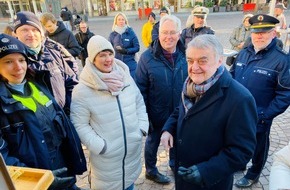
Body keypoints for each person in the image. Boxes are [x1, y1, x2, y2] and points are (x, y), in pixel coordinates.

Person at [160, 34, 257, 190]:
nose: (194, 67)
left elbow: (242, 151)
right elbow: (181, 111)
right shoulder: (189, 86)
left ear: (219, 61)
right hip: (183, 178)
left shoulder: (240, 98)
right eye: (190, 61)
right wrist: (168, 128)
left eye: (202, 61)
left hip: (211, 184)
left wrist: (206, 171)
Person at [0, 33, 86, 190]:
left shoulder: (38, 83)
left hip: (61, 164)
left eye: (21, 60)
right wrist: (41, 179)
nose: (18, 67)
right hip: (34, 179)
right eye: (8, 62)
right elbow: (3, 159)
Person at [70, 35, 149, 190]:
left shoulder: (125, 77)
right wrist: (100, 146)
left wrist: (141, 128)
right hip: (106, 162)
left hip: (131, 155)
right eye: (102, 55)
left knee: (129, 185)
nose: (108, 59)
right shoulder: (82, 90)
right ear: (92, 58)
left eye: (110, 54)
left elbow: (139, 103)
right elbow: (79, 124)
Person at [231, 14, 290, 188]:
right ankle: (240, 162)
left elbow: (285, 94)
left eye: (264, 32)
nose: (259, 36)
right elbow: (232, 77)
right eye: (256, 32)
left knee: (259, 146)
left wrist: (265, 114)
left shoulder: (281, 60)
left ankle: (254, 173)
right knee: (238, 140)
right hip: (238, 112)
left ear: (273, 33)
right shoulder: (243, 52)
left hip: (260, 114)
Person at [135, 14, 188, 184]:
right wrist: (145, 116)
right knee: (152, 143)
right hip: (156, 113)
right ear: (158, 33)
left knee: (177, 140)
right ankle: (150, 170)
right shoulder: (147, 58)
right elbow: (140, 90)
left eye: (173, 32)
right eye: (165, 32)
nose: (168, 37)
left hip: (180, 111)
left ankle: (174, 163)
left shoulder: (186, 54)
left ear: (179, 34)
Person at [13, 11, 78, 114]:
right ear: (15, 33)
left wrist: (69, 111)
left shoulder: (54, 52)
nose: (31, 34)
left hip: (64, 118)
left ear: (41, 32)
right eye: (24, 30)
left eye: (35, 29)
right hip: (39, 126)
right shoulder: (13, 61)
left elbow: (71, 82)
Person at [109, 12, 140, 77]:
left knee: (134, 81)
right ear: (116, 22)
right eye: (119, 19)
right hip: (117, 64)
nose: (121, 21)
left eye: (123, 19)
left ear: (125, 21)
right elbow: (109, 50)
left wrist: (126, 51)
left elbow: (137, 47)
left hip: (130, 63)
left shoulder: (131, 33)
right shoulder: (112, 35)